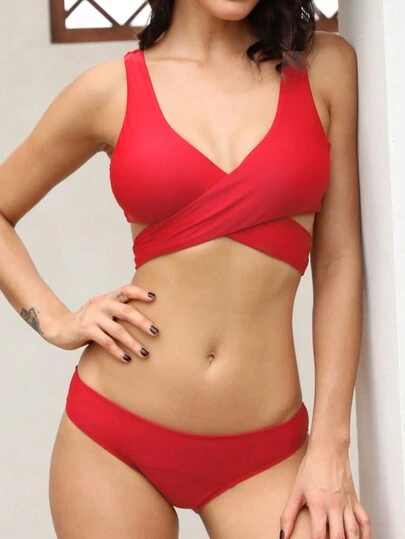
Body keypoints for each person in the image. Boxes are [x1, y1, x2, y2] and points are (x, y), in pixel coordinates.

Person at [0, 0, 370, 538]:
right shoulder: (109, 90)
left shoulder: (325, 68)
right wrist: (55, 321)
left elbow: (338, 261)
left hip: (266, 453)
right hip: (113, 441)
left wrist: (332, 446)